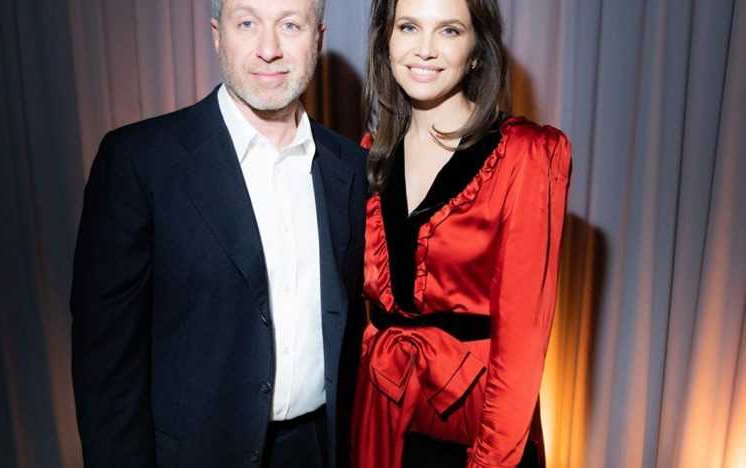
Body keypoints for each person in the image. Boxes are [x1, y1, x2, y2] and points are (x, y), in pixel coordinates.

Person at [70, 0, 366, 466]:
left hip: (317, 450)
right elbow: (106, 366)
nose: (268, 48)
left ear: (318, 39)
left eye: (291, 25)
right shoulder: (139, 162)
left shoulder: (350, 166)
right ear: (216, 35)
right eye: (247, 23)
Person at [351, 0, 571, 466]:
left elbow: (523, 340)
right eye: (408, 27)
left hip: (474, 424)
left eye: (449, 30)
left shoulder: (525, 156)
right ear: (386, 42)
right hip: (380, 415)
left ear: (475, 51)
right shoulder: (368, 156)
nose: (425, 49)